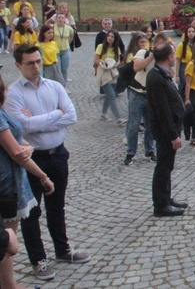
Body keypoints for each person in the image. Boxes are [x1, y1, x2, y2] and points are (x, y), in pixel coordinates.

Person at [6, 45, 90, 280]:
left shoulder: (54, 86)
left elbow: (71, 116)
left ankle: (62, 250)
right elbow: (23, 126)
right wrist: (56, 114)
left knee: (57, 206)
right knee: (32, 212)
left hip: (58, 154)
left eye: (37, 61)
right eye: (29, 63)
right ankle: (38, 260)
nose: (35, 66)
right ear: (18, 65)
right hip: (32, 159)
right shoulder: (13, 93)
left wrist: (40, 120)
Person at [0, 72, 55, 287]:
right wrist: (43, 176)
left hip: (10, 184)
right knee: (6, 245)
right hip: (7, 187)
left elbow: (17, 142)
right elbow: (17, 153)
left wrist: (27, 145)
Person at [147, 42, 188, 217]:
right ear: (169, 57)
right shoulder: (156, 78)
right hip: (165, 132)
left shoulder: (161, 74)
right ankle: (160, 204)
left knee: (167, 166)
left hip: (170, 129)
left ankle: (166, 197)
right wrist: (173, 136)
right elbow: (162, 110)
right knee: (163, 167)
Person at [123, 32, 158, 166]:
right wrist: (151, 56)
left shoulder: (158, 55)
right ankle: (130, 152)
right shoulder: (141, 53)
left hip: (150, 94)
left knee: (150, 124)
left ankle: (150, 150)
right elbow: (137, 67)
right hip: (137, 93)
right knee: (134, 124)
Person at [94, 29, 123, 125]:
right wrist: (104, 63)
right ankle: (118, 118)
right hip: (103, 72)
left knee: (109, 95)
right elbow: (96, 60)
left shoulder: (116, 48)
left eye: (112, 37)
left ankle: (103, 114)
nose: (110, 38)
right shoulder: (101, 46)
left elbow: (119, 60)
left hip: (113, 72)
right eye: (109, 36)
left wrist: (115, 64)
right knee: (112, 95)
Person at [175, 25, 195, 95]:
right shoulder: (181, 45)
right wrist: (177, 75)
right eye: (189, 32)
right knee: (184, 87)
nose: (191, 33)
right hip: (184, 68)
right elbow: (178, 61)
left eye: (193, 32)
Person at [52, 13, 74, 84]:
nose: (60, 19)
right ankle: (58, 85)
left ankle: (64, 85)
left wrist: (68, 43)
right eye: (59, 18)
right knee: (58, 69)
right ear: (56, 19)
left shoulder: (69, 28)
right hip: (56, 51)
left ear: (65, 19)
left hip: (65, 50)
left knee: (64, 69)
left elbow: (71, 36)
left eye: (62, 18)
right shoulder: (52, 27)